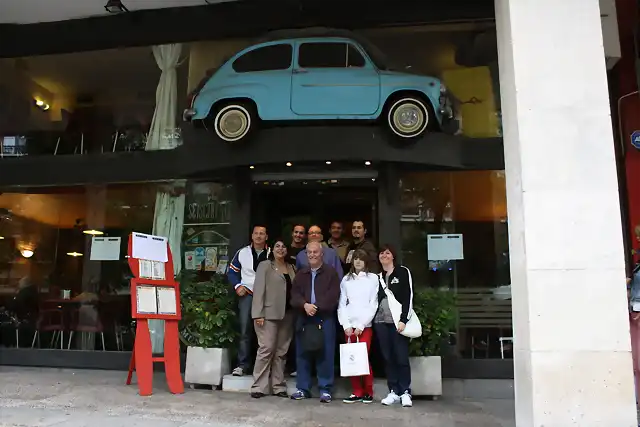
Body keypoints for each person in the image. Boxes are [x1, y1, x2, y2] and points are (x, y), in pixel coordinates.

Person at [290, 241, 341, 403]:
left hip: (324, 318)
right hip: (304, 318)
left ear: (322, 254)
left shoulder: (331, 273)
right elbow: (294, 294)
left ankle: (325, 390)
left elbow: (333, 295)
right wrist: (304, 305)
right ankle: (302, 388)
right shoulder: (301, 273)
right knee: (302, 354)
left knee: (325, 354)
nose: (312, 255)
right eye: (309, 252)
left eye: (315, 252)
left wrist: (317, 307)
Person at [250, 239, 296, 398]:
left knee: (281, 352)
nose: (281, 249)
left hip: (288, 315)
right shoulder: (265, 266)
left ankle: (278, 386)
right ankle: (258, 387)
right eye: (277, 246)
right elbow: (258, 290)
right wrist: (258, 313)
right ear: (272, 249)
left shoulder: (291, 268)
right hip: (268, 315)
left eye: (284, 246)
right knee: (266, 349)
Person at [337, 249, 379, 404]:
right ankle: (357, 391)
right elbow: (341, 304)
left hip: (364, 326)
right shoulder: (346, 280)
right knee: (352, 358)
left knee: (363, 357)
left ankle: (368, 391)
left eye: (361, 259)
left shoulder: (373, 279)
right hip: (349, 326)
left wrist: (361, 324)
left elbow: (373, 304)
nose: (358, 262)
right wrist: (346, 325)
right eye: (356, 259)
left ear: (366, 261)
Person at [374, 244, 413, 407]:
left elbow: (408, 297)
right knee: (388, 358)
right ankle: (393, 391)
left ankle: (405, 392)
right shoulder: (377, 277)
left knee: (401, 357)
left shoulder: (403, 272)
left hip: (398, 323)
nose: (384, 255)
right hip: (381, 322)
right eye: (381, 253)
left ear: (393, 256)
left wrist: (404, 319)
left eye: (387, 253)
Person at [228, 225, 270, 377]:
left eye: (262, 234)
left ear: (266, 237)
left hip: (267, 297)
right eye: (256, 233)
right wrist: (238, 285)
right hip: (247, 295)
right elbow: (232, 272)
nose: (259, 236)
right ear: (252, 236)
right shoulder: (242, 252)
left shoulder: (272, 253)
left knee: (266, 332)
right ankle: (242, 365)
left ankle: (265, 367)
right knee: (245, 330)